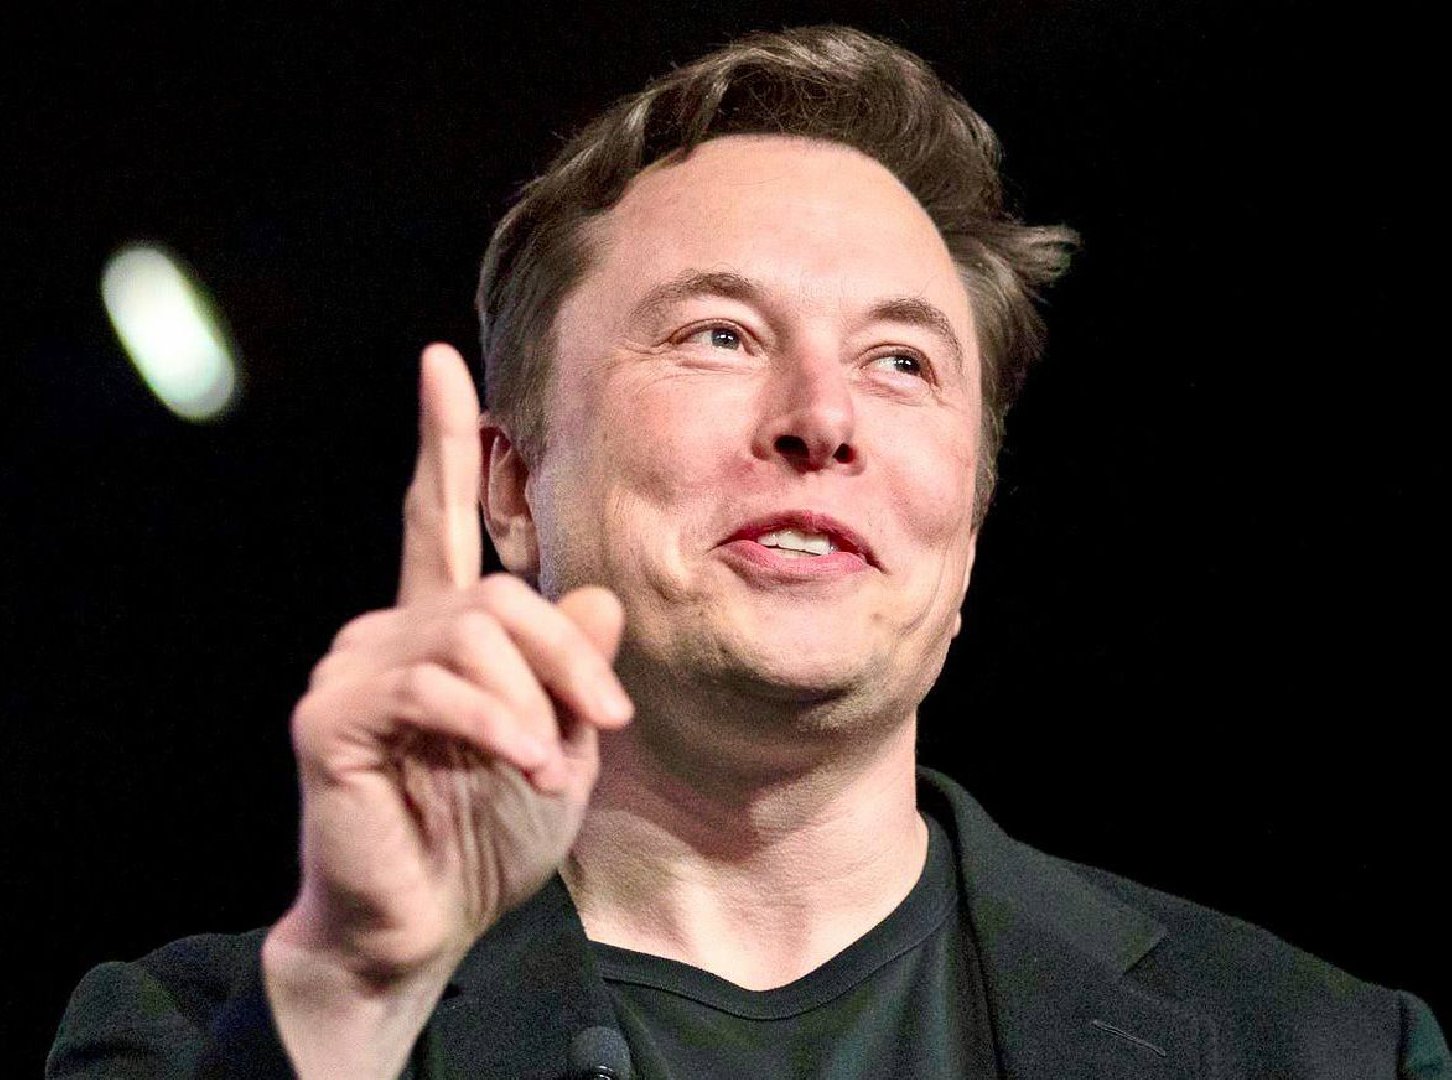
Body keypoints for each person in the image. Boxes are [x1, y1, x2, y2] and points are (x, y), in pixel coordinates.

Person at [49, 25, 1447, 1080]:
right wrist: (353, 996)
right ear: (513, 487)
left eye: (901, 362)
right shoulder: (198, 1037)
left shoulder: (1321, 1050)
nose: (823, 419)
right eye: (719, 334)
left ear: (969, 512)